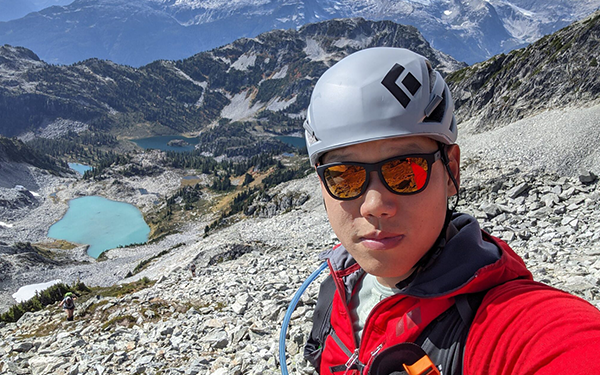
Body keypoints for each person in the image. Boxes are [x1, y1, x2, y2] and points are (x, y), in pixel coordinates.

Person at [302, 47, 600, 375]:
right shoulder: (340, 284)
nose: (375, 206)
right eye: (344, 176)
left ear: (452, 172)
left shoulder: (506, 323)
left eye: (405, 170)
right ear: (322, 185)